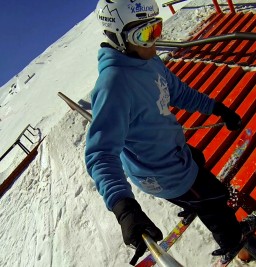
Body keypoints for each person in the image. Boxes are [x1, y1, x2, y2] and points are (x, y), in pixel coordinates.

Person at [85, 0, 244, 264]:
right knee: (217, 200)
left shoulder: (147, 60)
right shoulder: (114, 85)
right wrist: (124, 208)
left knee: (198, 157)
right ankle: (235, 243)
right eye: (145, 35)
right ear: (119, 39)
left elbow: (177, 92)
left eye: (156, 29)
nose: (155, 41)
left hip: (174, 152)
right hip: (162, 173)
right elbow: (100, 152)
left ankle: (192, 202)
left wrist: (217, 108)